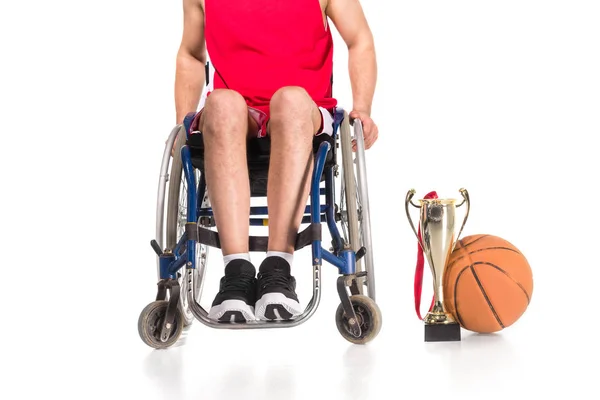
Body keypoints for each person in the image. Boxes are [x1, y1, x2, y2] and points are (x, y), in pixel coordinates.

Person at [174, 0, 379, 322]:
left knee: (291, 99)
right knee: (223, 103)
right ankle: (236, 271)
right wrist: (181, 122)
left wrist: (363, 108)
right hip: (236, 113)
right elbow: (191, 53)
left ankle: (278, 268)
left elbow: (359, 40)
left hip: (305, 109)